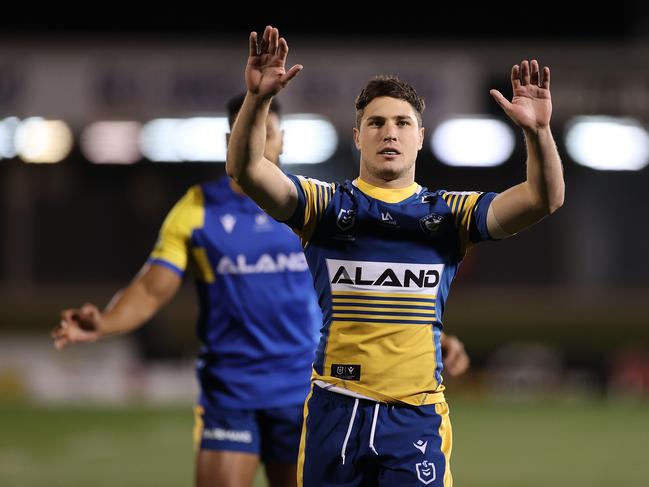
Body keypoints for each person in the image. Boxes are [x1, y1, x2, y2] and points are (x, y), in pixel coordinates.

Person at [51, 93, 471, 487]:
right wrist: (105, 322)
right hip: (232, 390)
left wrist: (434, 338)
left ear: (282, 138)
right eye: (246, 131)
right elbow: (151, 289)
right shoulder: (198, 208)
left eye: (267, 131)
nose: (258, 138)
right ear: (231, 140)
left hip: (307, 390)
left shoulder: (317, 209)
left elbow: (374, 286)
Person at [225, 25, 564, 487]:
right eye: (377, 123)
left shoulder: (451, 214)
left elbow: (543, 199)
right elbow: (246, 170)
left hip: (416, 416)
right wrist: (257, 99)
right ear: (357, 136)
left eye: (403, 123)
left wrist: (539, 133)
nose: (390, 133)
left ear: (420, 137)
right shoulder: (325, 207)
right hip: (335, 408)